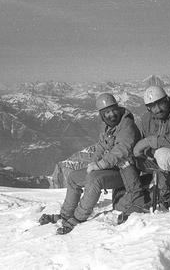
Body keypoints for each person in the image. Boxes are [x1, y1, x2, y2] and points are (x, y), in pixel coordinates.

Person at [39, 93, 146, 234]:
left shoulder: (126, 126)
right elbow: (101, 147)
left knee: (94, 180)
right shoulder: (106, 127)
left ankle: (77, 218)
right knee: (73, 178)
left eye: (114, 109)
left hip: (124, 172)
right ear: (102, 115)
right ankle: (65, 215)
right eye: (107, 112)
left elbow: (121, 152)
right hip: (109, 168)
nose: (112, 114)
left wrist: (98, 166)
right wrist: (93, 163)